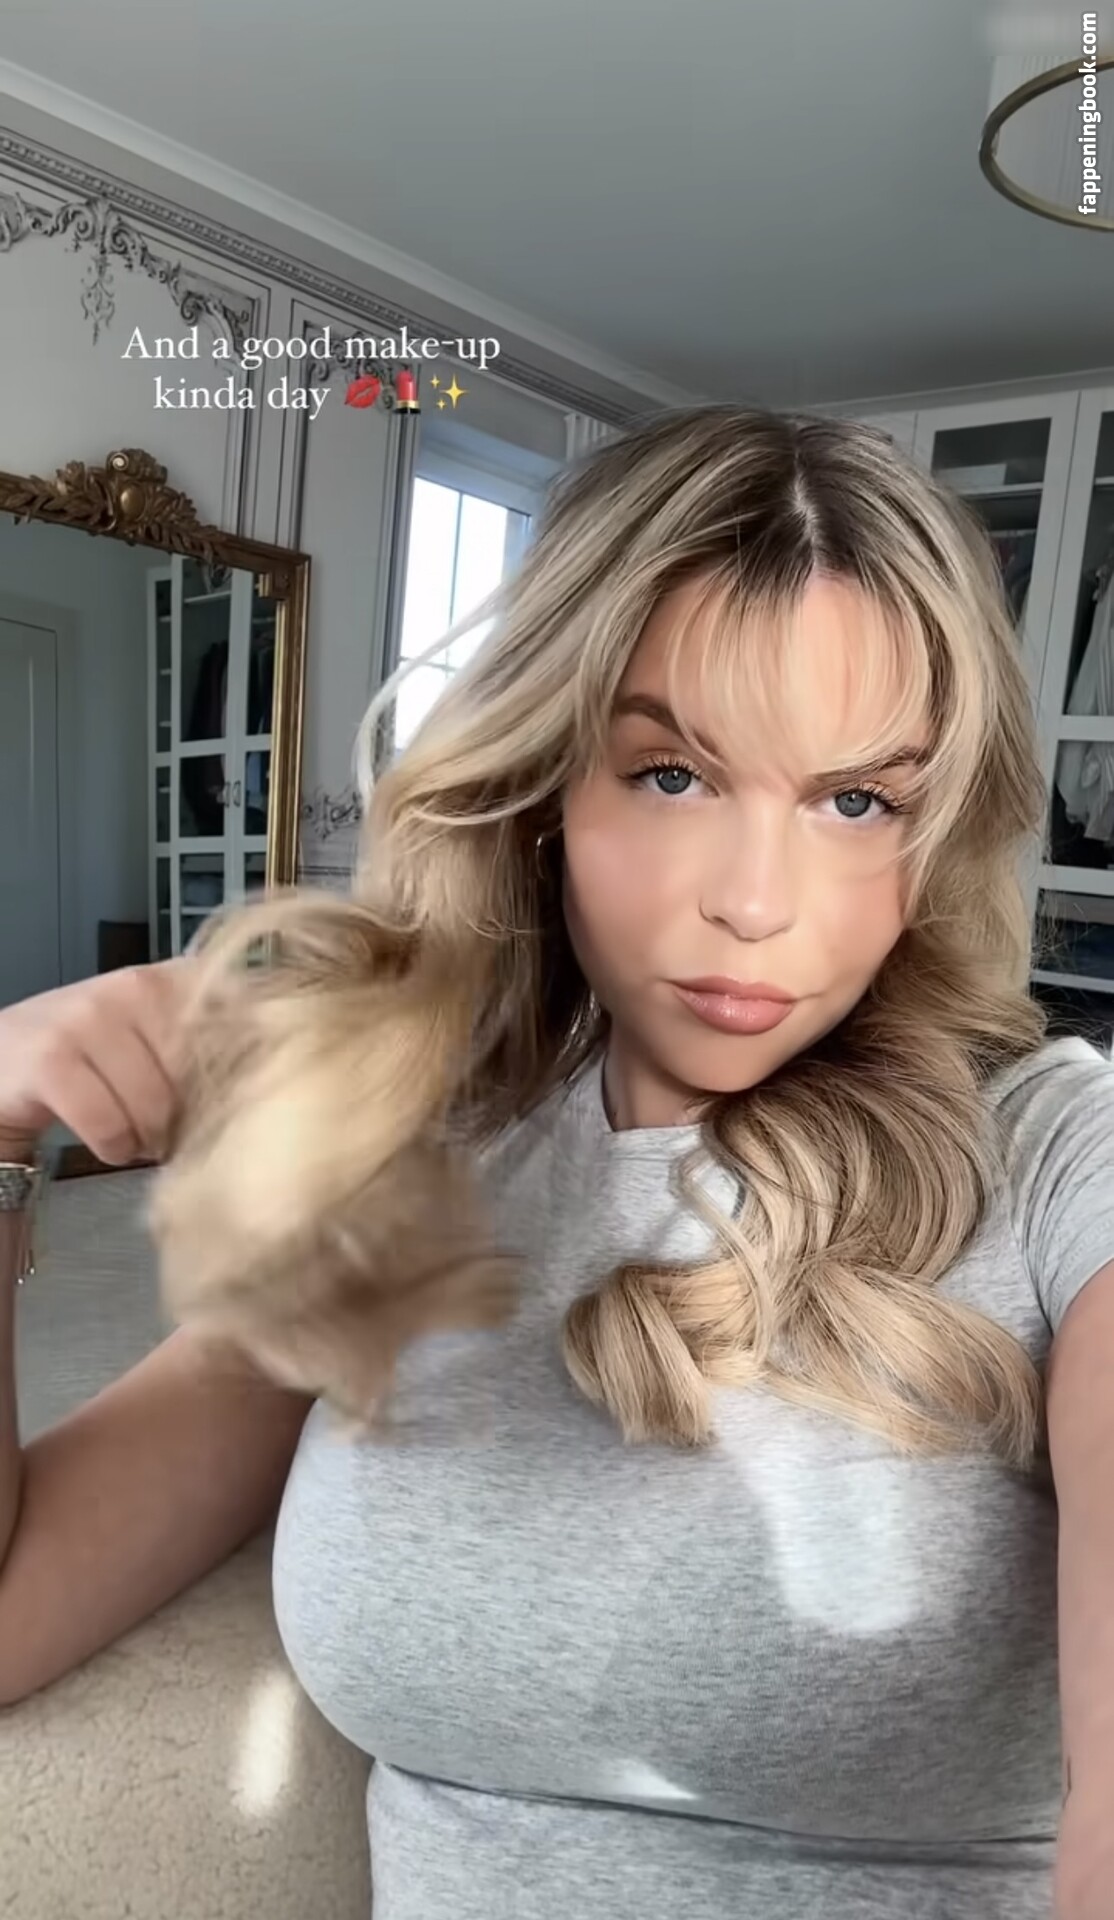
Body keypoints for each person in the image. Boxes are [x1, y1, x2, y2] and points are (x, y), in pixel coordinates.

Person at [1, 405, 1112, 1920]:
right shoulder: (406, 1158)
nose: (756, 904)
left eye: (856, 800)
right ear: (545, 784)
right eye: (672, 774)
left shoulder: (1050, 1155)